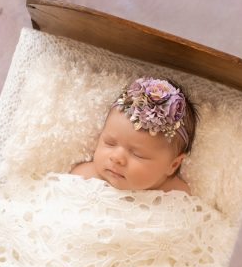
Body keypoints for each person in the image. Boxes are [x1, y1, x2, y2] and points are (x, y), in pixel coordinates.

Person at [70, 77, 199, 194]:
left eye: (138, 154)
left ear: (173, 165)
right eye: (109, 143)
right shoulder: (84, 178)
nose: (116, 157)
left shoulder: (177, 195)